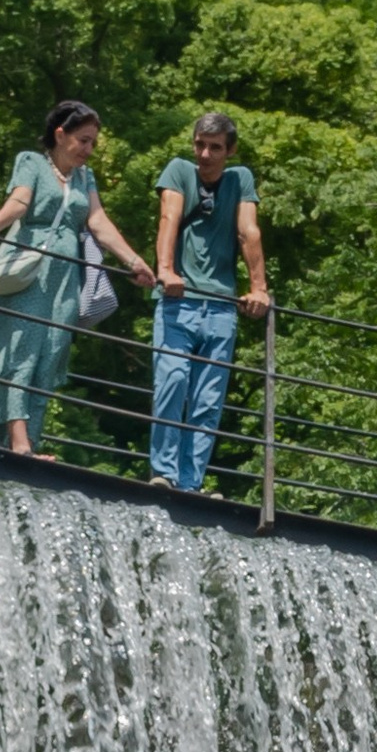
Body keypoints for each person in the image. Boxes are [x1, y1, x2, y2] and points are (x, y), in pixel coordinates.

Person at [0, 105, 156, 459]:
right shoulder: (32, 163)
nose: (88, 149)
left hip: (65, 278)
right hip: (31, 271)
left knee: (50, 351)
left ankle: (30, 441)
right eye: (83, 140)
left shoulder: (86, 178)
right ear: (60, 134)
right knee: (22, 345)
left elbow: (98, 221)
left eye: (93, 143)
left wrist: (133, 260)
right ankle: (18, 441)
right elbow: (20, 201)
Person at [150, 115, 270, 495]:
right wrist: (166, 270)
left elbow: (247, 230)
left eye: (215, 147)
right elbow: (169, 216)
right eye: (201, 144)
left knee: (208, 399)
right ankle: (164, 475)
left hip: (221, 307)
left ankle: (190, 483)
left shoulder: (240, 179)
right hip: (178, 300)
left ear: (230, 151)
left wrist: (259, 289)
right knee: (172, 382)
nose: (206, 154)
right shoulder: (179, 170)